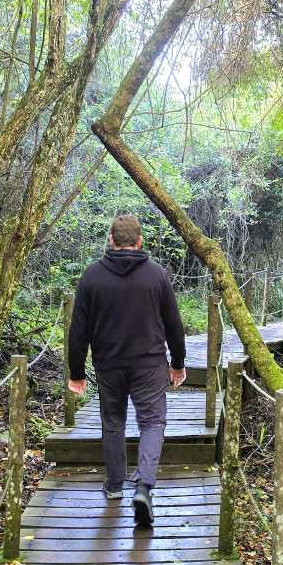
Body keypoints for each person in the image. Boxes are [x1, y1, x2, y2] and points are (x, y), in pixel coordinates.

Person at [66, 214, 187, 527]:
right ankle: (144, 486)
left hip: (109, 363)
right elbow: (174, 325)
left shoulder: (92, 277)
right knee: (152, 422)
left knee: (113, 420)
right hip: (148, 363)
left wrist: (76, 370)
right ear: (140, 241)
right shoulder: (157, 276)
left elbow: (78, 330)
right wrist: (177, 363)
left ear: (111, 240)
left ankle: (115, 485)